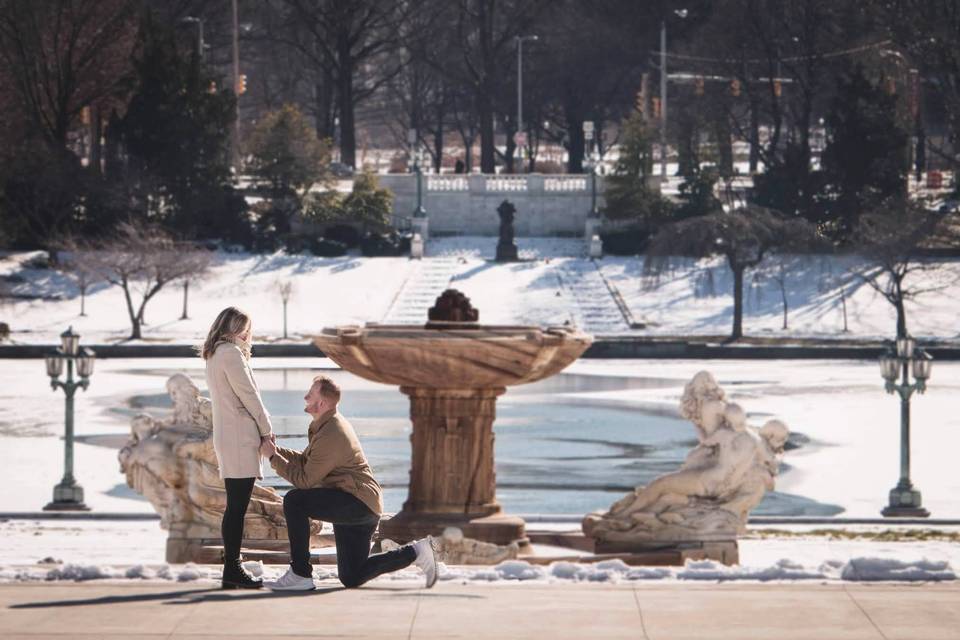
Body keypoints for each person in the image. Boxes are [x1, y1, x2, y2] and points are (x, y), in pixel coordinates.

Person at [260, 375, 438, 591]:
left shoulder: (332, 432)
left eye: (311, 394)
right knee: (352, 576)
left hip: (358, 504)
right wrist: (275, 451)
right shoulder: (325, 425)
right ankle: (416, 552)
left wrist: (272, 458)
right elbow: (308, 461)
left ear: (322, 403)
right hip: (358, 505)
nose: (305, 397)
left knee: (295, 501)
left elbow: (305, 480)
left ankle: (300, 574)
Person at [200, 306, 274, 589]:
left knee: (235, 506)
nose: (248, 334)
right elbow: (249, 396)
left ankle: (232, 565)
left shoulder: (215, 354)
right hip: (239, 437)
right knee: (237, 508)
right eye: (245, 329)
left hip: (228, 435)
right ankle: (232, 567)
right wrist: (267, 429)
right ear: (234, 329)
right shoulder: (231, 355)